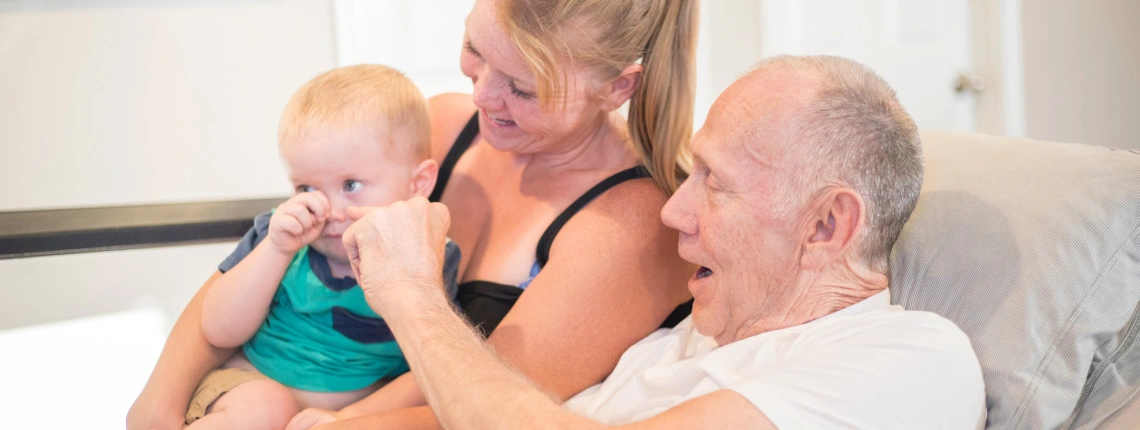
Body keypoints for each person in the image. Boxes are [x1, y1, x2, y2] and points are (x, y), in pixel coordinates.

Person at [127, 0, 697, 428]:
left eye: (522, 88)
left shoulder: (633, 225)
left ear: (617, 87)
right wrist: (158, 401)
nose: (482, 95)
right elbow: (252, 267)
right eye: (475, 50)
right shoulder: (443, 129)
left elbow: (480, 402)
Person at [340, 55, 988, 429]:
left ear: (826, 228)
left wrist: (411, 292)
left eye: (718, 184)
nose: (674, 210)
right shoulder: (695, 331)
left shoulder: (910, 357)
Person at [177, 64, 461, 429]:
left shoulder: (430, 257)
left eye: (351, 185)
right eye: (306, 189)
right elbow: (219, 330)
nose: (326, 209)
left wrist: (346, 418)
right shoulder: (281, 234)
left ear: (418, 183)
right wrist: (276, 251)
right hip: (248, 387)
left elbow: (432, 368)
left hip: (342, 414)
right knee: (265, 409)